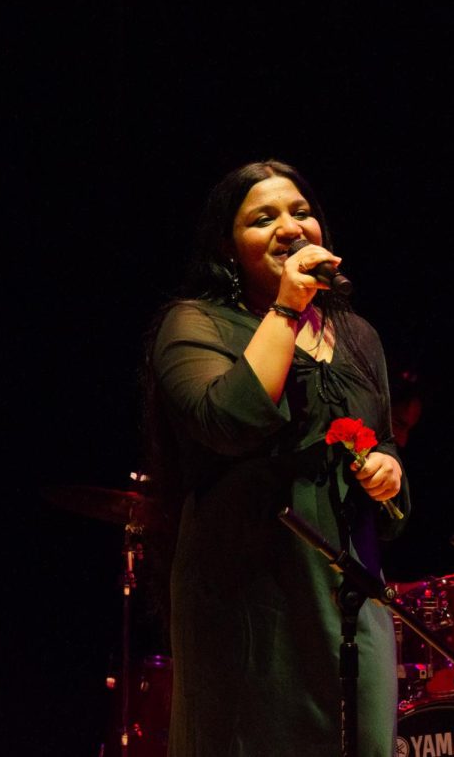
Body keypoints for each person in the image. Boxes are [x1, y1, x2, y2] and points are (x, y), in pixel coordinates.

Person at [144, 159, 409, 756]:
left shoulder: (359, 336)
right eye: (263, 219)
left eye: (301, 212)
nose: (291, 227)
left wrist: (389, 473)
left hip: (348, 587)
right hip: (247, 588)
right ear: (227, 247)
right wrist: (287, 308)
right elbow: (231, 422)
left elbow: (382, 437)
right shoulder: (193, 323)